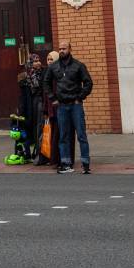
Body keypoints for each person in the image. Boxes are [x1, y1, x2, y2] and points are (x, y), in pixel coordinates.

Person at [46, 40, 95, 174]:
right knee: (63, 136)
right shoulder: (54, 67)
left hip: (75, 106)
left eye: (64, 48)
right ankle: (66, 164)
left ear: (70, 49)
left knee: (81, 135)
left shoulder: (79, 66)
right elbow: (46, 83)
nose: (62, 51)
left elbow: (88, 83)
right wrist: (53, 98)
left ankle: (85, 164)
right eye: (60, 49)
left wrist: (80, 97)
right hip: (61, 106)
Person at [17, 52, 47, 164]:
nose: (38, 63)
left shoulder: (44, 73)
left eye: (39, 60)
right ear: (30, 63)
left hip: (40, 104)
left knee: (40, 129)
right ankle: (29, 153)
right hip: (30, 106)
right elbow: (22, 97)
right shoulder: (24, 77)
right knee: (31, 130)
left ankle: (40, 154)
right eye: (34, 61)